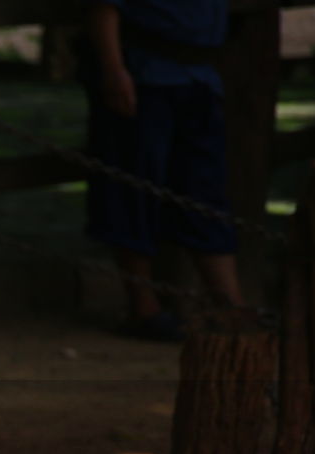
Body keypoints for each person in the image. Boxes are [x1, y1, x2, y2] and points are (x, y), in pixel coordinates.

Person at [81, 0, 249, 340]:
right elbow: (103, 6)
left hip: (199, 77)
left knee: (206, 191)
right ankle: (144, 310)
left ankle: (232, 308)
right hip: (144, 75)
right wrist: (114, 69)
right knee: (132, 190)